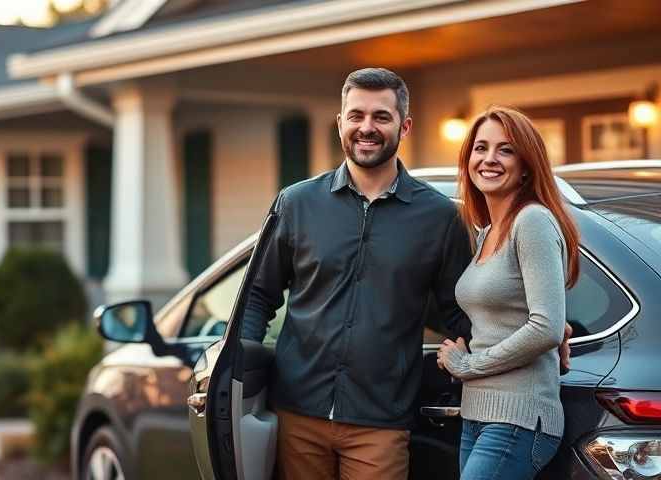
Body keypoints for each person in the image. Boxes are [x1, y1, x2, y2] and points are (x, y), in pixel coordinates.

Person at [241, 68, 473, 479]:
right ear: (340, 123)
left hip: (380, 422)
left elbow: (461, 312)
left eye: (381, 117)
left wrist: (541, 334)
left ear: (405, 125)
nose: (367, 128)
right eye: (356, 115)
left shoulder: (438, 218)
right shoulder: (296, 203)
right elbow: (258, 295)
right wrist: (235, 368)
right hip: (297, 414)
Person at [437, 106, 580, 480]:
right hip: (478, 415)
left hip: (518, 418)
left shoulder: (531, 221)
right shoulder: (485, 233)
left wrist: (468, 365)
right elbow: (522, 314)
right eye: (480, 148)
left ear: (527, 164)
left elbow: (544, 326)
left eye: (505, 150)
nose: (489, 159)